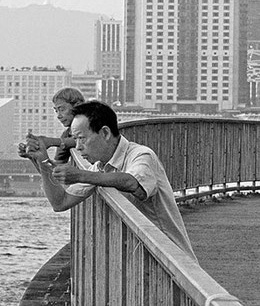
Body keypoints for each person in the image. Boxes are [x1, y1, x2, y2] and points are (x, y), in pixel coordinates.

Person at [25, 100, 197, 261]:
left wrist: (79, 175)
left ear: (105, 133)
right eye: (75, 139)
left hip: (175, 261)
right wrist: (42, 162)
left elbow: (132, 183)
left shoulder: (142, 155)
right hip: (145, 259)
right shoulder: (100, 167)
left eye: (81, 138)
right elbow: (60, 202)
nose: (77, 147)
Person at [18, 87, 85, 165]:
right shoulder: (66, 135)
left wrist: (52, 141)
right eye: (56, 111)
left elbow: (85, 140)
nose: (58, 116)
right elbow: (55, 173)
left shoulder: (93, 125)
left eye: (62, 109)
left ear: (77, 106)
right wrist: (34, 157)